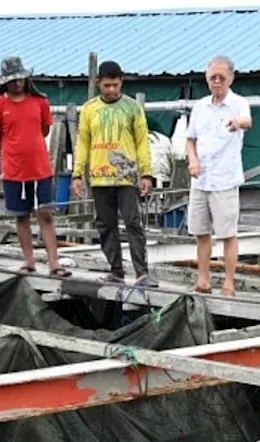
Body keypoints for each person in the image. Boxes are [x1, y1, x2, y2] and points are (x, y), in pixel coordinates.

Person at [71, 60, 156, 286]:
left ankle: (142, 272)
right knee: (105, 224)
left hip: (126, 175)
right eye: (107, 85)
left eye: (115, 85)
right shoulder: (89, 109)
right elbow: (83, 143)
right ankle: (116, 270)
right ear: (99, 83)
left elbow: (142, 143)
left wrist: (146, 174)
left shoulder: (132, 108)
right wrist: (77, 174)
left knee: (133, 222)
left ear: (121, 83)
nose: (111, 90)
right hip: (99, 177)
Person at [0, 56, 69, 277]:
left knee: (45, 214)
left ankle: (54, 262)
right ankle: (29, 260)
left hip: (40, 167)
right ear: (5, 82)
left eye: (20, 79)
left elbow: (44, 130)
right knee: (21, 216)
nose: (17, 83)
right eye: (12, 80)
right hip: (13, 170)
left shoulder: (40, 101)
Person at [186, 55, 251, 297]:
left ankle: (229, 282)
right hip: (201, 179)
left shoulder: (239, 103)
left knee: (227, 233)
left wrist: (238, 123)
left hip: (225, 178)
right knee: (201, 232)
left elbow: (247, 121)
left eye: (221, 77)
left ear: (231, 78)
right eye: (212, 77)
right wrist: (192, 160)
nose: (216, 82)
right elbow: (190, 139)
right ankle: (203, 279)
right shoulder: (200, 106)